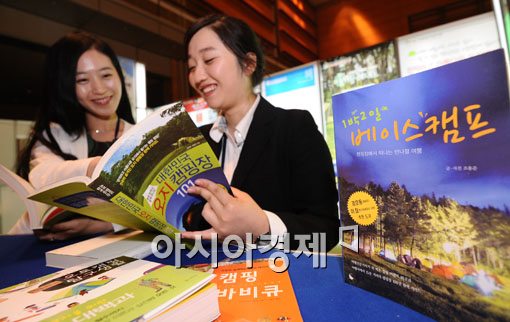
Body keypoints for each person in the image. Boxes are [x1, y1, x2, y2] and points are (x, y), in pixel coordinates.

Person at [181, 14, 340, 251]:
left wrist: (264, 226)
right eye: (192, 67)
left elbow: (326, 231)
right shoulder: (199, 140)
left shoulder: (294, 127)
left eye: (209, 59)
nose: (198, 76)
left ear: (248, 64)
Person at [9, 31, 135, 241]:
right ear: (67, 86)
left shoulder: (142, 136)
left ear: (118, 75)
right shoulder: (54, 134)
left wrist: (103, 225)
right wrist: (98, 166)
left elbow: (156, 211)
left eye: (106, 75)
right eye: (83, 80)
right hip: (41, 248)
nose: (99, 88)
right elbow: (42, 176)